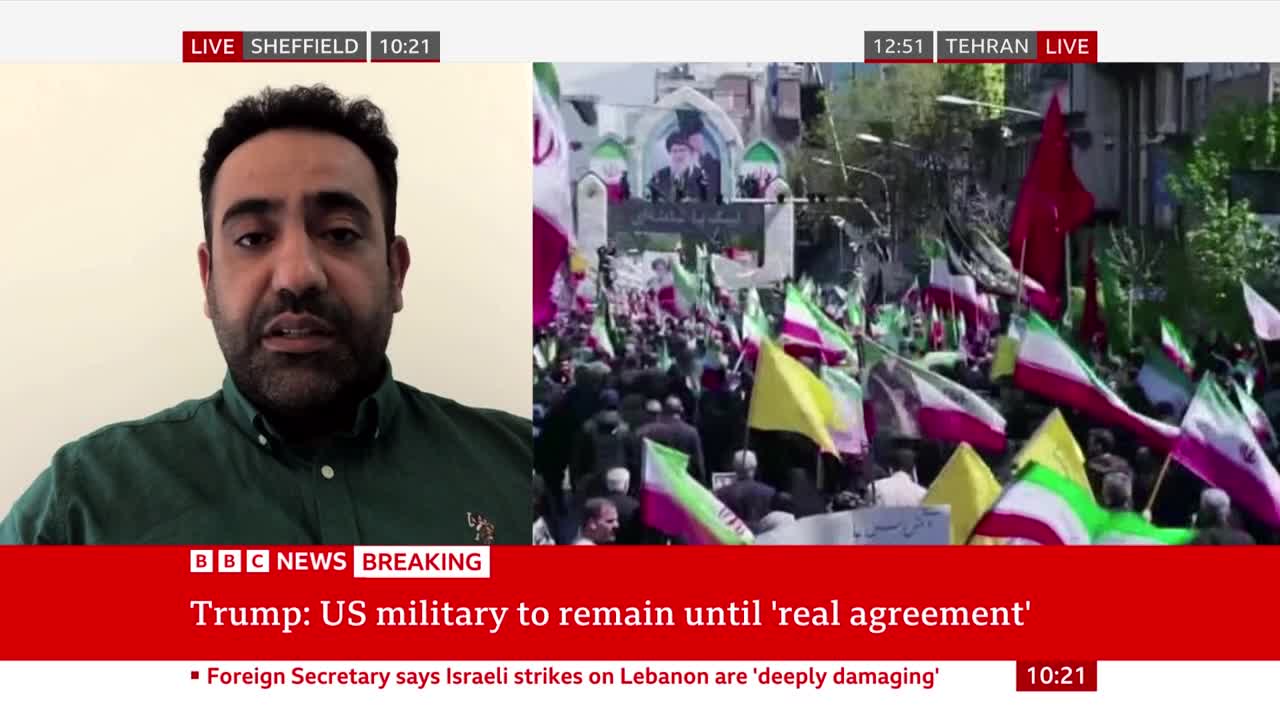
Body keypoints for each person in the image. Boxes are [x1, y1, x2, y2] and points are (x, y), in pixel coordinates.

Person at [0, 85, 531, 545]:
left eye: (341, 233)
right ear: (208, 280)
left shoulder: (525, 471)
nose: (298, 274)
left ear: (397, 271)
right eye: (253, 238)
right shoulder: (82, 503)